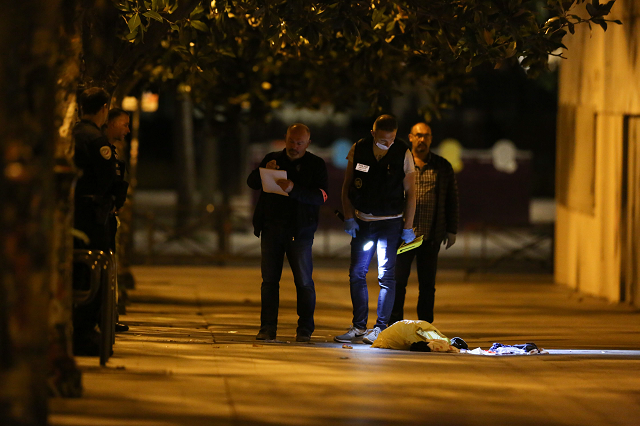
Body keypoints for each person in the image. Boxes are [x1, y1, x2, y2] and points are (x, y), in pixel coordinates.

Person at [334, 114, 416, 345]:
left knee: (386, 276)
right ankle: (359, 326)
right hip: (363, 221)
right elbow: (347, 186)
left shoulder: (403, 152)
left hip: (391, 223)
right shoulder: (358, 149)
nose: (387, 144)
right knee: (357, 273)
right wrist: (349, 217)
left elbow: (411, 193)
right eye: (382, 140)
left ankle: (380, 328)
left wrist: (407, 227)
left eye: (391, 140)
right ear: (372, 134)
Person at [247, 123, 328, 342]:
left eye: (299, 143)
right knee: (269, 281)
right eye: (291, 141)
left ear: (307, 143)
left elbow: (321, 196)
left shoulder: (315, 164)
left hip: (300, 232)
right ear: (286, 138)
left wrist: (294, 189)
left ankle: (304, 329)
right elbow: (252, 182)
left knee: (303, 282)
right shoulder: (273, 158)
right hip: (272, 229)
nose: (294, 146)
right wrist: (265, 172)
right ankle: (267, 327)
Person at [72, 88, 129, 355]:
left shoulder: (72, 134)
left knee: (78, 271)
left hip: (74, 212)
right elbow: (107, 180)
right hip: (93, 216)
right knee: (95, 270)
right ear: (105, 108)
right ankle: (84, 333)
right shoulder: (97, 141)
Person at [389, 122, 459, 326]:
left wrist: (451, 230)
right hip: (403, 236)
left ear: (431, 138)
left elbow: (452, 200)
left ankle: (426, 325)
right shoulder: (400, 163)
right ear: (410, 137)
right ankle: (395, 323)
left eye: (426, 135)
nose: (422, 139)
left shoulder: (442, 166)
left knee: (427, 285)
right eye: (418, 135)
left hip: (430, 236)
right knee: (398, 282)